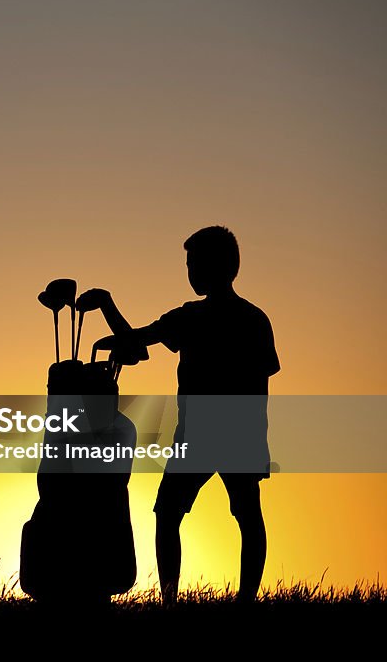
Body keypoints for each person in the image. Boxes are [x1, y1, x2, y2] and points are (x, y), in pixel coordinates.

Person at [93, 225, 280, 604]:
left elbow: (135, 340)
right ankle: (243, 601)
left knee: (171, 513)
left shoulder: (190, 317)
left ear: (215, 267)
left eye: (194, 264)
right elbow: (263, 376)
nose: (190, 272)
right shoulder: (254, 318)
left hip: (199, 434)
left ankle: (170, 601)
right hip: (238, 433)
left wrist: (107, 304)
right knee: (245, 514)